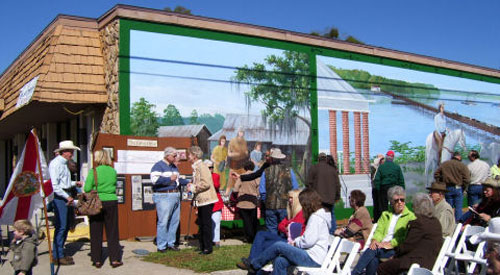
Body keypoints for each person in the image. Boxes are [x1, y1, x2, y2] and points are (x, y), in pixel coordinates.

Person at [245, 188, 331, 275]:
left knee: (279, 246)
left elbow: (308, 241)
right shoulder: (318, 216)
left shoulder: (316, 218)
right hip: (312, 255)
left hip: (313, 258)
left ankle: (254, 265)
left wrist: (295, 243)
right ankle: (255, 266)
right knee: (280, 261)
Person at [351, 186, 416, 275]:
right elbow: (379, 231)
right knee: (373, 257)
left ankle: (354, 273)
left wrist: (389, 244)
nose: (400, 203)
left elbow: (404, 238)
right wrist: (375, 240)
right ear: (391, 202)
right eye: (396, 200)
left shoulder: (410, 217)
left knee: (373, 250)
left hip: (395, 249)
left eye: (402, 200)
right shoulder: (385, 215)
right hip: (380, 247)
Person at [236, 189, 305, 270]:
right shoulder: (291, 212)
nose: (289, 200)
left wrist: (287, 227)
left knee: (265, 244)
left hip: (293, 243)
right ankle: (251, 262)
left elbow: (294, 230)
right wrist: (287, 228)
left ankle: (252, 265)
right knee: (261, 234)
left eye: (291, 198)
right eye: (289, 198)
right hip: (285, 238)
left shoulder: (301, 214)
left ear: (297, 200)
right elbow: (280, 226)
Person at [377, 193, 443, 275]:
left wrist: (395, 254)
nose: (412, 208)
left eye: (413, 206)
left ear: (417, 208)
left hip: (418, 262)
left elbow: (407, 245)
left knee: (382, 268)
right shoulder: (435, 222)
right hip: (431, 260)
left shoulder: (419, 222)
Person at [84, 150, 122, 268]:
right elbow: (114, 185)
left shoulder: (94, 171)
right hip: (111, 200)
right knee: (112, 230)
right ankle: (115, 259)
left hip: (97, 201)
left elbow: (87, 188)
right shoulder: (113, 171)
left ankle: (97, 260)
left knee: (96, 230)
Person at [48, 140, 82, 265]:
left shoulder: (64, 164)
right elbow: (55, 185)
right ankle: (57, 255)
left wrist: (74, 183)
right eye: (70, 151)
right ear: (64, 152)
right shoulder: (56, 164)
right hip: (60, 197)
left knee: (66, 225)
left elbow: (64, 182)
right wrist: (66, 197)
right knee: (61, 226)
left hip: (66, 194)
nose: (71, 154)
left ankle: (59, 253)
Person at [150, 147, 189, 252]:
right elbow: (154, 180)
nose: (176, 157)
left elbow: (177, 180)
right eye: (174, 155)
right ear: (167, 155)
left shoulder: (173, 167)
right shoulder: (158, 166)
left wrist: (188, 182)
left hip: (175, 194)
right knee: (163, 221)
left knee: (174, 221)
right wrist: (168, 179)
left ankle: (171, 243)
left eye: (176, 155)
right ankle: (161, 246)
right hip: (164, 196)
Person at [187, 146, 219, 255]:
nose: (188, 157)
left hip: (206, 199)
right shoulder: (197, 167)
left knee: (206, 224)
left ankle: (207, 248)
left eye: (190, 155)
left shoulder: (202, 167)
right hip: (201, 200)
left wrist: (193, 187)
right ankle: (202, 246)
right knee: (201, 223)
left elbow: (206, 183)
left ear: (195, 156)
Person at [259, 148, 299, 233]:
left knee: (271, 230)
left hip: (270, 205)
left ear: (272, 158)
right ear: (281, 158)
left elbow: (262, 190)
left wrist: (265, 201)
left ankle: (273, 245)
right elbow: (295, 188)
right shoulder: (289, 171)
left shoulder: (265, 171)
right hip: (285, 205)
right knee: (284, 229)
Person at [306, 152, 340, 234]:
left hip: (317, 199)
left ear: (318, 159)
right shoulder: (332, 170)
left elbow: (308, 183)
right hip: (330, 199)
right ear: (325, 159)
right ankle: (331, 234)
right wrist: (336, 197)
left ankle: (318, 233)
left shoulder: (314, 168)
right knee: (331, 216)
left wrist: (310, 195)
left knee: (317, 216)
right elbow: (337, 185)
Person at [434, 151, 471, 221]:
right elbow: (467, 179)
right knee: (458, 208)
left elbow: (436, 174)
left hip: (447, 188)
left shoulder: (444, 164)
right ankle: (458, 223)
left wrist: (441, 183)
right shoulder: (462, 165)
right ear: (459, 157)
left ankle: (449, 222)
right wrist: (464, 187)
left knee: (448, 208)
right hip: (458, 188)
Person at [233, 160, 260, 243]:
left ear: (245, 168)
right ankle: (253, 236)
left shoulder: (241, 177)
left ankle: (249, 237)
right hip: (252, 201)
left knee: (246, 221)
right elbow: (259, 188)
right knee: (253, 220)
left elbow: (235, 189)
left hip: (242, 202)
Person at [373, 150, 405, 218]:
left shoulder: (381, 167)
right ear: (393, 157)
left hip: (384, 188)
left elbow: (377, 179)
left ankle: (385, 218)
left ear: (386, 157)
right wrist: (402, 190)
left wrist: (379, 189)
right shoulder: (397, 167)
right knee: (395, 203)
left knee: (384, 206)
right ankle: (395, 217)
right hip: (394, 188)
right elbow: (401, 180)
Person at [204, 160, 224, 247]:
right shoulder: (201, 177)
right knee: (207, 223)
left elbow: (216, 185)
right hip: (205, 202)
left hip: (216, 202)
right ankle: (208, 240)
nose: (211, 169)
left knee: (216, 222)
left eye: (212, 167)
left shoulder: (216, 176)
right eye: (208, 168)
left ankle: (216, 240)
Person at [226, 128, 249, 195]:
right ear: (238, 132)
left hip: (242, 164)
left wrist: (246, 152)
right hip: (234, 164)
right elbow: (229, 153)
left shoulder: (244, 141)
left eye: (242, 132)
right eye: (240, 132)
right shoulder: (232, 141)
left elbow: (246, 152)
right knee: (231, 180)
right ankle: (227, 194)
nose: (241, 133)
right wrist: (235, 154)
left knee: (243, 179)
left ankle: (243, 193)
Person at [371, 154, 385, 222]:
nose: (383, 161)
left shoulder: (383, 167)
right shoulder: (374, 167)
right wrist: (378, 160)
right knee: (376, 205)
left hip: (381, 188)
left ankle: (382, 219)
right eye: (381, 159)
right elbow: (373, 166)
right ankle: (376, 219)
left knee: (381, 205)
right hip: (375, 188)